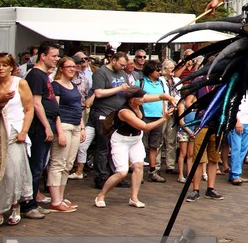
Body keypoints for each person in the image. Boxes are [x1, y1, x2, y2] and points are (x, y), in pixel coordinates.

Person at [94, 86, 174, 208]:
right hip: (121, 140)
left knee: (138, 166)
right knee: (122, 172)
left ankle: (134, 197)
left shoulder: (138, 101)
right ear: (132, 100)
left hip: (135, 139)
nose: (143, 99)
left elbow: (160, 96)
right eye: (140, 97)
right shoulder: (125, 112)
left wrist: (170, 98)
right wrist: (164, 118)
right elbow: (145, 127)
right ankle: (101, 195)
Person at [21, 41, 61, 219]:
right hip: (39, 126)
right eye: (53, 56)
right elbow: (36, 103)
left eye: (57, 56)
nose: (56, 59)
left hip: (48, 122)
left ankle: (33, 201)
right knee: (35, 165)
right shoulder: (36, 75)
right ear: (43, 56)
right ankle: (28, 205)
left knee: (40, 164)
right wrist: (46, 126)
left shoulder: (44, 75)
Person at [0, 53, 34, 226]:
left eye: (4, 65)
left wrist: (24, 131)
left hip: (15, 131)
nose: (1, 69)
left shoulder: (20, 83)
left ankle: (15, 205)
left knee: (12, 172)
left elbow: (29, 109)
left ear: (11, 67)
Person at [89, 52, 136, 189]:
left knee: (116, 146)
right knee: (102, 146)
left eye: (124, 65)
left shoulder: (122, 74)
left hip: (118, 114)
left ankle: (117, 174)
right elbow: (98, 93)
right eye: (121, 64)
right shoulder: (101, 73)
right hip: (103, 113)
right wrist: (118, 88)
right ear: (113, 60)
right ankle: (101, 177)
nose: (122, 67)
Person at [46, 56, 86, 212]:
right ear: (61, 68)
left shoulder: (73, 85)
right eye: (68, 66)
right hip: (63, 125)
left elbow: (78, 106)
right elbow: (55, 110)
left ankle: (60, 198)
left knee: (68, 164)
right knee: (58, 162)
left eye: (74, 66)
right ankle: (55, 200)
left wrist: (82, 127)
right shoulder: (56, 85)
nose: (72, 69)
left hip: (76, 125)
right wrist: (60, 131)